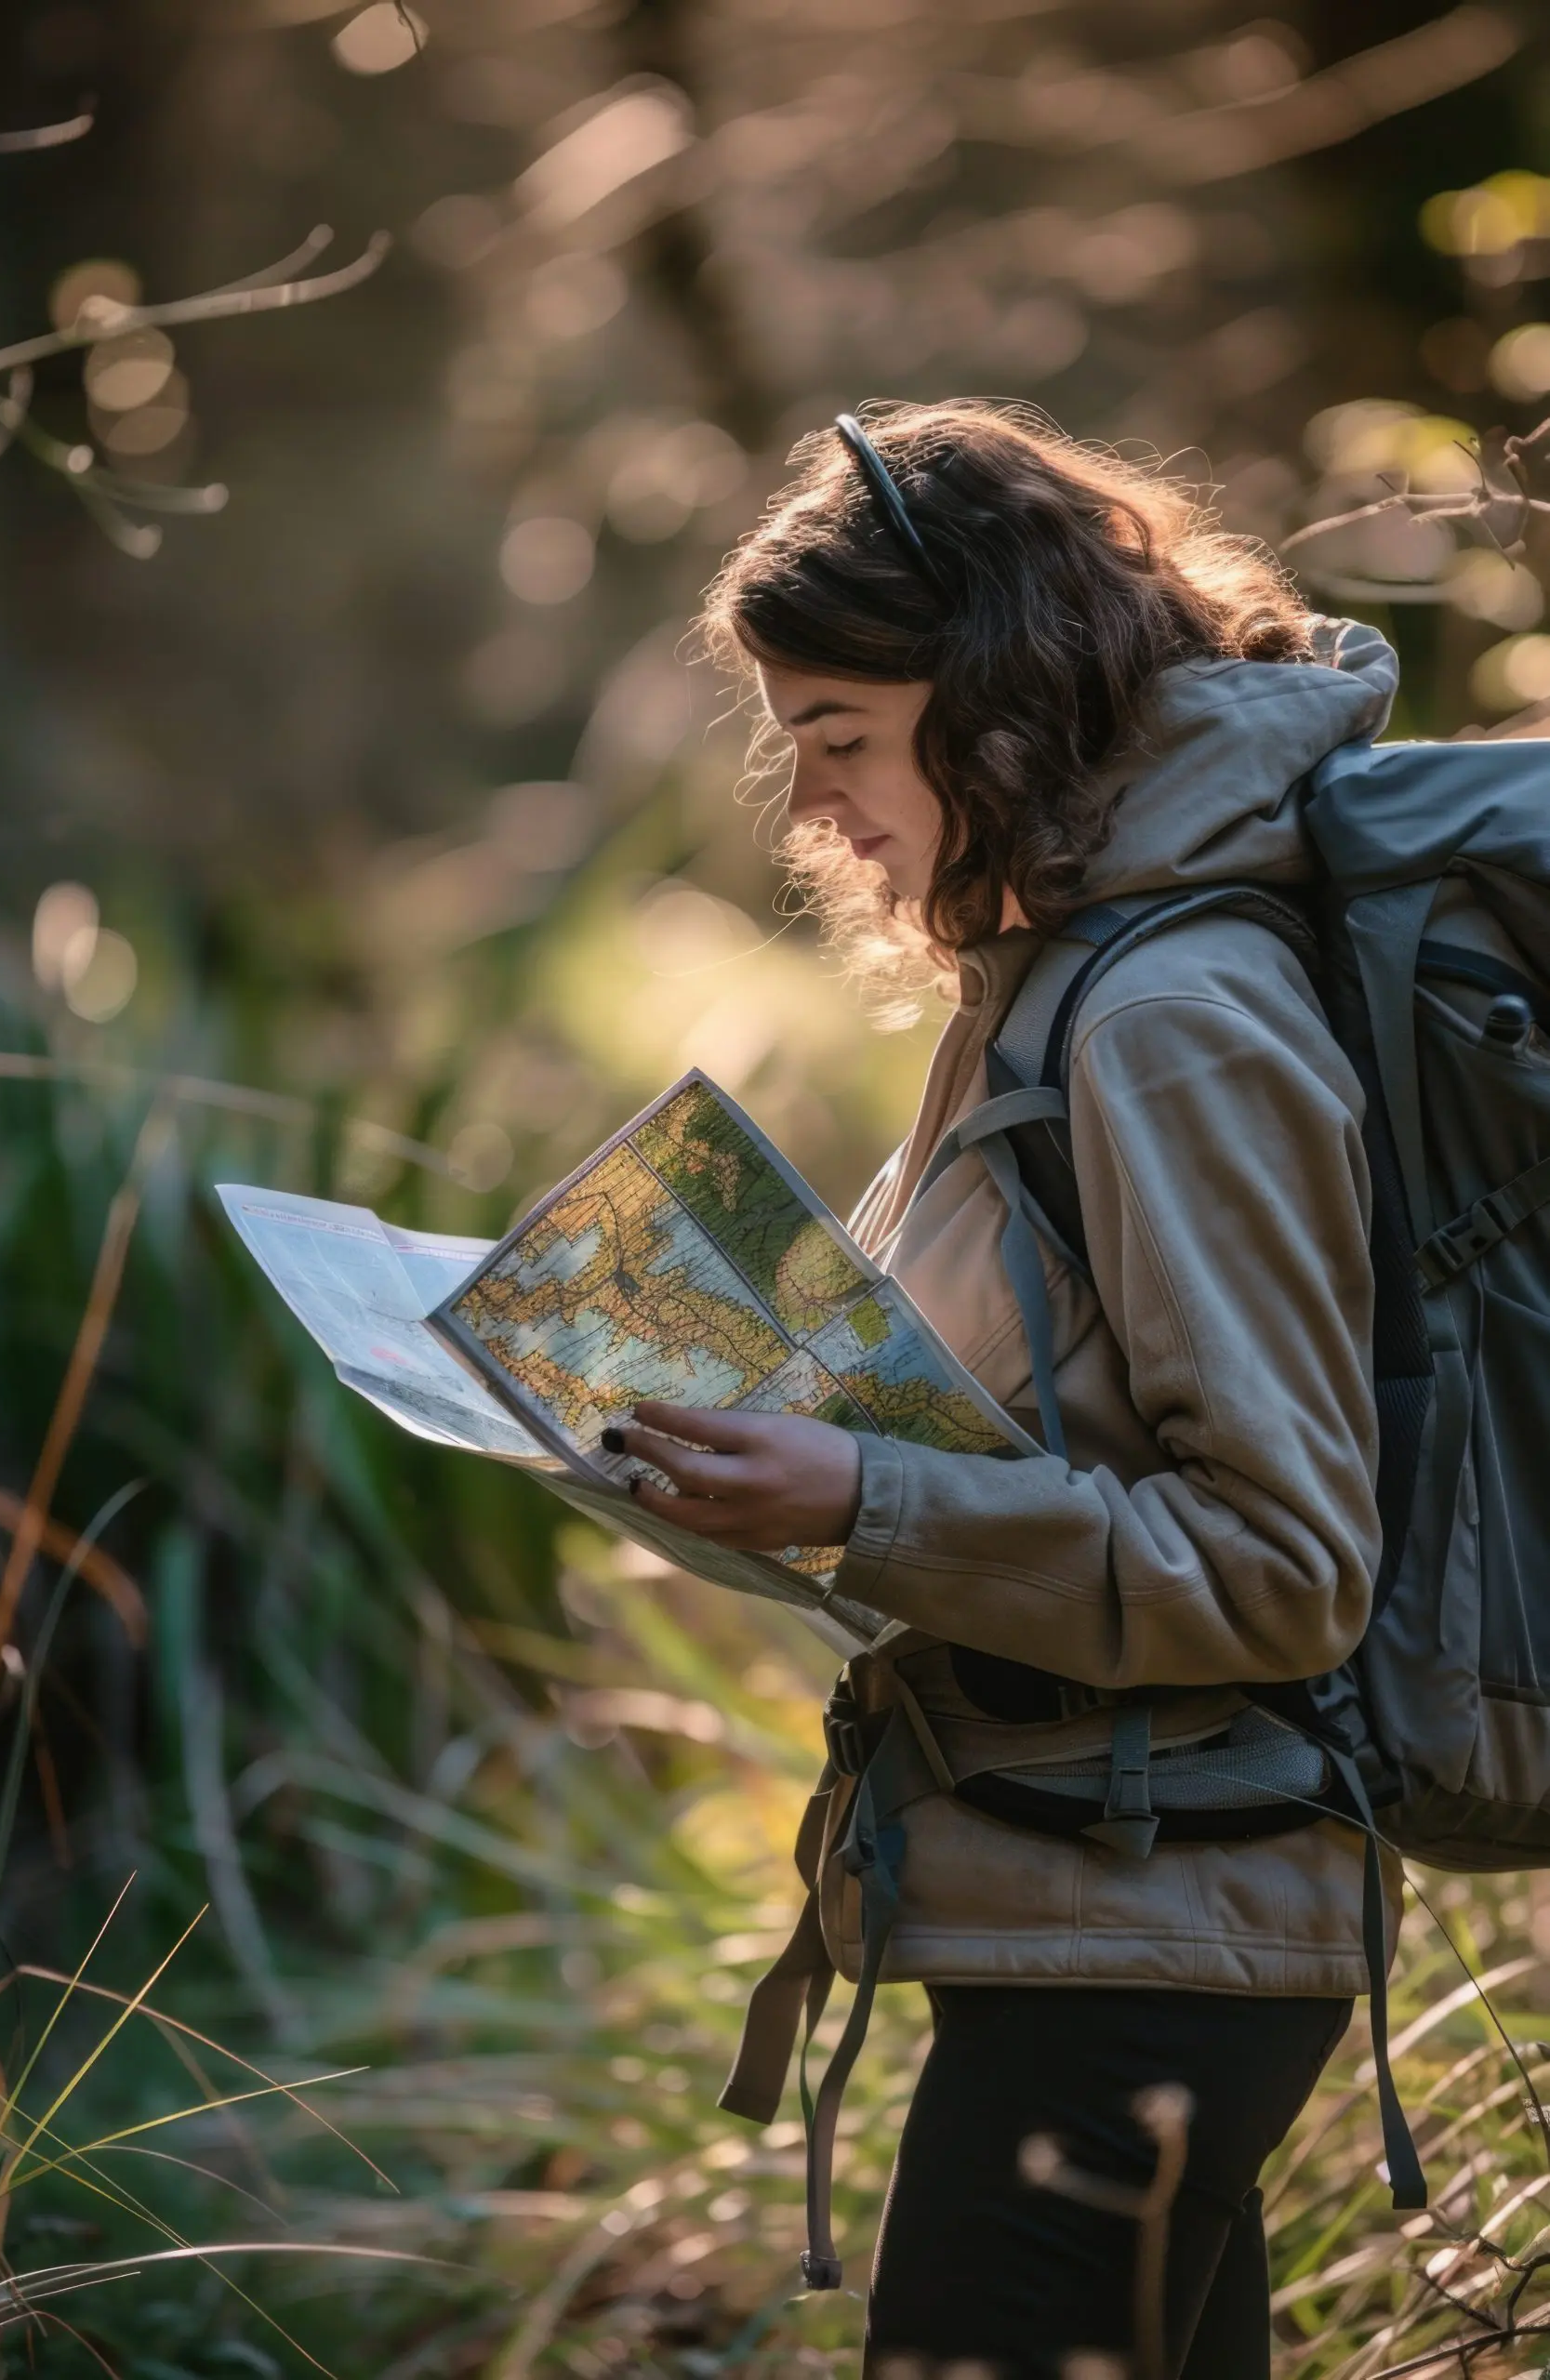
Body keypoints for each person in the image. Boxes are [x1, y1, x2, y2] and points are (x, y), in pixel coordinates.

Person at [602, 400, 1400, 2379]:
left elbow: (1289, 1563)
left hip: (1162, 1929)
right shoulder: (1051, 982)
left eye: (840, 743)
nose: (812, 816)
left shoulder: (1169, 1017)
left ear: (991, 702)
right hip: (1096, 1885)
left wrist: (856, 1499)